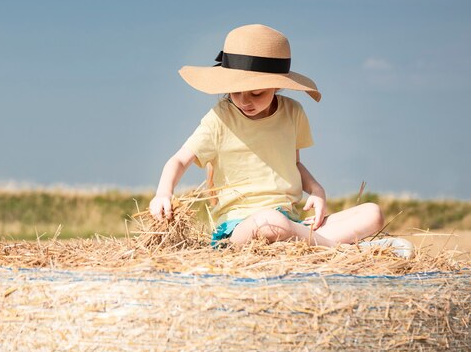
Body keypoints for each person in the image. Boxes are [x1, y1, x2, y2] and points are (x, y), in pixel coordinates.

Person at [149, 24, 413, 256]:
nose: (244, 101)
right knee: (269, 223)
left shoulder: (292, 112)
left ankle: (311, 243)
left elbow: (293, 163)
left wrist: (317, 190)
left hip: (290, 222)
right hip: (241, 230)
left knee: (372, 213)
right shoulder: (221, 118)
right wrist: (163, 192)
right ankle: (347, 252)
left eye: (256, 93)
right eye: (236, 92)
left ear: (278, 85)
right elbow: (179, 159)